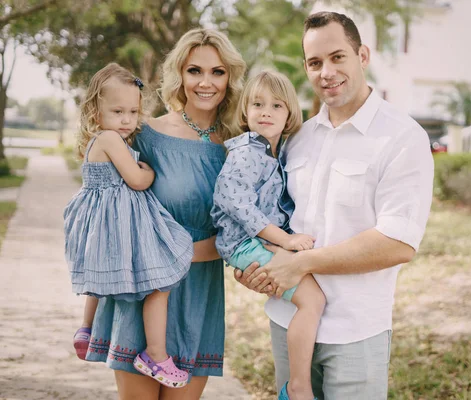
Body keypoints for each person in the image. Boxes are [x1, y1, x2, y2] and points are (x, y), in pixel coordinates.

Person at [235, 11, 434, 400]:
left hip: (355, 330)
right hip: (287, 319)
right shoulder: (297, 137)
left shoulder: (403, 138)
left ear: (362, 55)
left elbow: (399, 243)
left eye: (337, 57)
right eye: (315, 62)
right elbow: (270, 214)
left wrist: (303, 263)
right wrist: (255, 267)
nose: (326, 71)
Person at [85, 28, 247, 399]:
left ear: (231, 77)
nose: (206, 82)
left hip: (199, 293)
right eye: (195, 71)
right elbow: (104, 212)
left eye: (217, 72)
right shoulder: (145, 134)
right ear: (179, 74)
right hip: (144, 293)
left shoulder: (241, 145)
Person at [64, 62, 193, 388]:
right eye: (117, 110)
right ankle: (155, 355)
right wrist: (149, 172)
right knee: (158, 282)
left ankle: (86, 327)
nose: (127, 119)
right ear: (96, 112)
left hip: (103, 228)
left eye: (133, 111)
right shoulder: (109, 139)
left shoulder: (101, 140)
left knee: (100, 280)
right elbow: (136, 180)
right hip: (119, 225)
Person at [211, 71, 325, 400]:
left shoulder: (273, 152)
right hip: (244, 243)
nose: (266, 112)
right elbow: (237, 203)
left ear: (289, 113)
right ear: (245, 111)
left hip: (257, 241)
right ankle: (298, 386)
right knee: (313, 300)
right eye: (257, 104)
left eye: (277, 105)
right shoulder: (248, 153)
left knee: (311, 296)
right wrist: (286, 240)